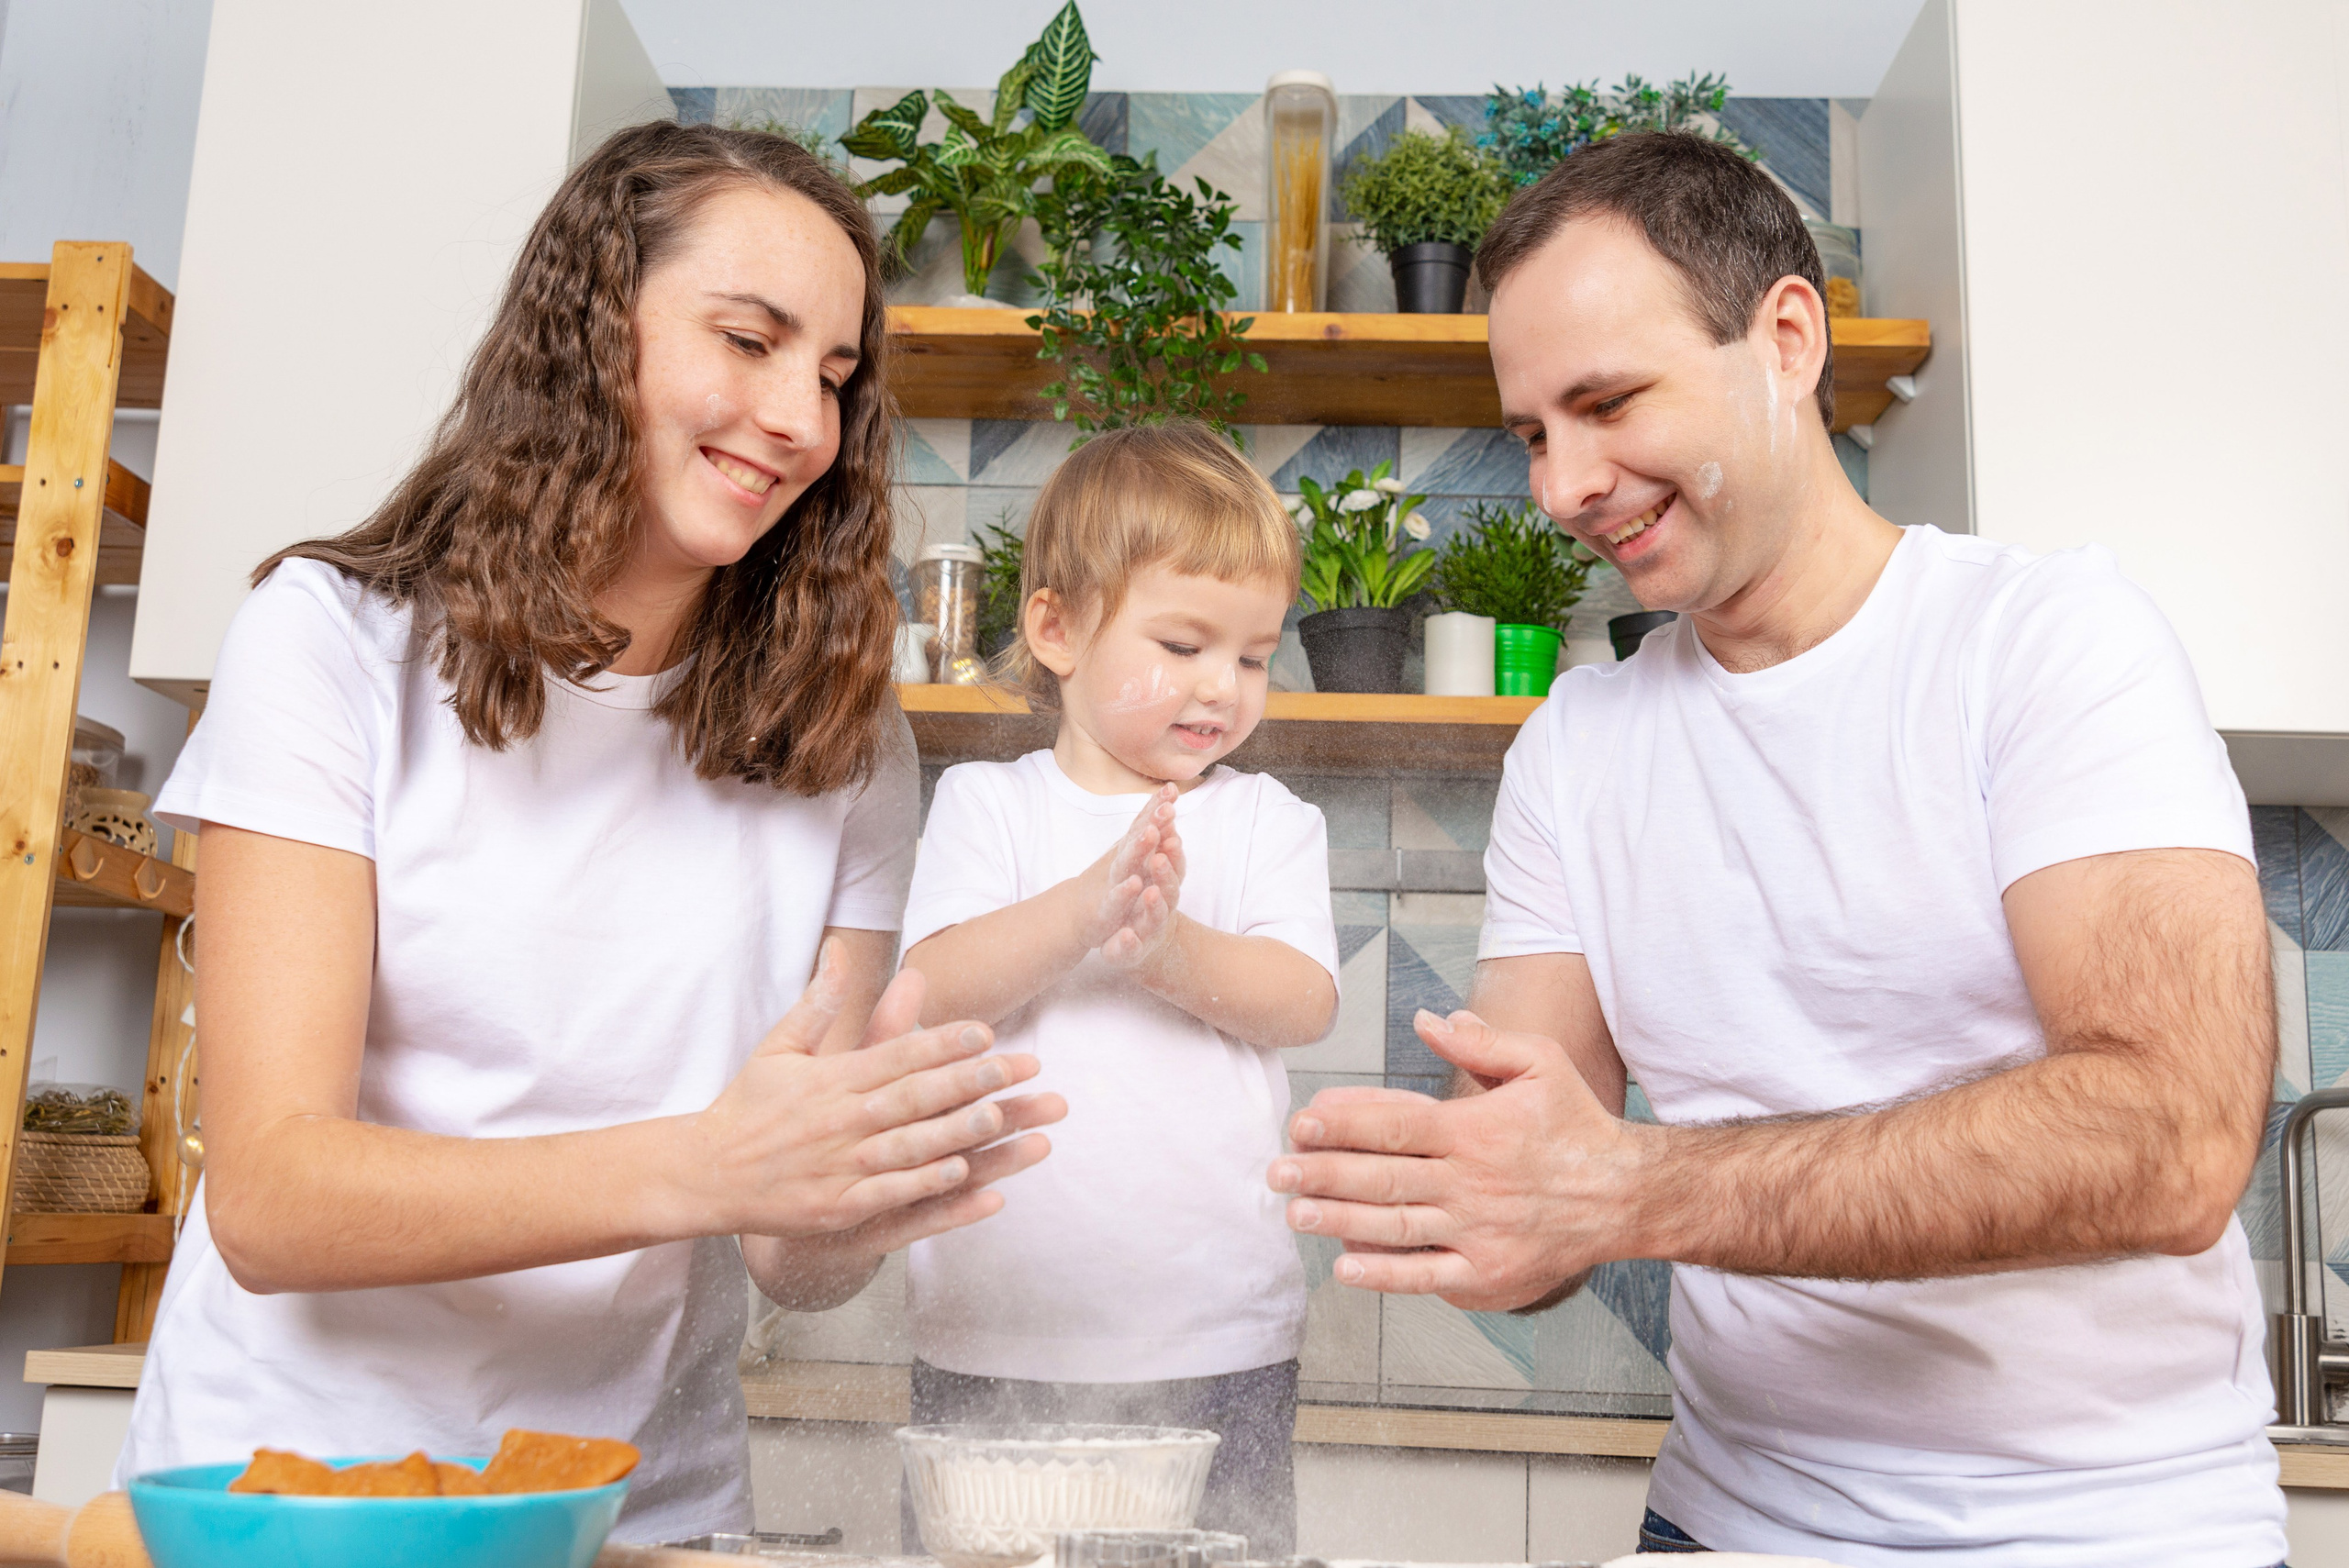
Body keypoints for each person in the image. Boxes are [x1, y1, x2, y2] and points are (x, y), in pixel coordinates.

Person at [1266, 132, 2285, 1566]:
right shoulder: (1580, 747)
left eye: (1609, 402)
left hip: (2106, 1527)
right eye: (1532, 434)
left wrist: (1624, 1186)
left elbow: (2170, 1142)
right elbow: (1542, 1196)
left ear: (1788, 339)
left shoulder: (2048, 645)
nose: (1563, 487)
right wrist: (1483, 1194)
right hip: (1727, 1521)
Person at [115, 123, 1065, 1543]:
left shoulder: (843, 740)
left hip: (636, 1506)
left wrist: (851, 1195)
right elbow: (271, 1194)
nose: (802, 419)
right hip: (300, 1497)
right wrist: (712, 1162)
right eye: (748, 339)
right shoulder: (330, 647)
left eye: (833, 375)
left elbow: (780, 1249)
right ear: (589, 326)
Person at [768, 423, 1338, 1552]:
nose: (1221, 687)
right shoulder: (992, 807)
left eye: (1254, 655)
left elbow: (1303, 996)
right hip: (995, 1339)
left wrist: (1166, 948)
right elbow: (928, 991)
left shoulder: (1267, 821)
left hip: (1216, 1343)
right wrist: (1084, 913)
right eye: (1182, 643)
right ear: (1057, 627)